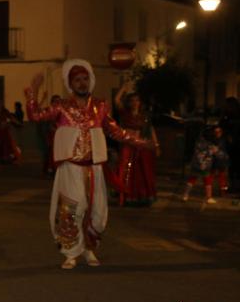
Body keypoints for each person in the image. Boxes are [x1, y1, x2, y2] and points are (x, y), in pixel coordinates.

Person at [24, 59, 153, 269]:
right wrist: (34, 91)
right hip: (71, 167)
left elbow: (115, 131)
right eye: (77, 80)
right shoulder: (62, 107)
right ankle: (71, 252)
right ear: (70, 83)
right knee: (73, 209)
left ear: (90, 80)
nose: (82, 83)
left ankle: (89, 248)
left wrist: (140, 143)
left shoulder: (100, 106)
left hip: (95, 168)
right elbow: (35, 115)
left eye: (85, 79)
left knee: (98, 211)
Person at [113, 81, 160, 206]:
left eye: (137, 100)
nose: (135, 103)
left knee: (141, 172)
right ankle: (124, 196)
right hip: (128, 146)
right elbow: (116, 100)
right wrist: (123, 88)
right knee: (125, 170)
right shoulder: (125, 113)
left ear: (140, 102)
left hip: (141, 147)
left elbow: (150, 129)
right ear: (129, 103)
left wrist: (156, 145)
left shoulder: (144, 116)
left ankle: (141, 196)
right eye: (132, 100)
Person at [182, 125, 228, 203]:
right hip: (206, 165)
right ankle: (208, 197)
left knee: (192, 179)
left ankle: (185, 195)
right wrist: (224, 156)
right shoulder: (210, 144)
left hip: (196, 164)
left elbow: (196, 152)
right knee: (207, 180)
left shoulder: (199, 142)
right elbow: (218, 153)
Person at [219, 97, 240, 193]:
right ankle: (233, 186)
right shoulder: (226, 115)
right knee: (231, 166)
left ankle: (236, 186)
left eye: (228, 105)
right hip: (230, 144)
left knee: (237, 165)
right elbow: (221, 126)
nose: (227, 107)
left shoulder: (237, 115)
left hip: (238, 143)